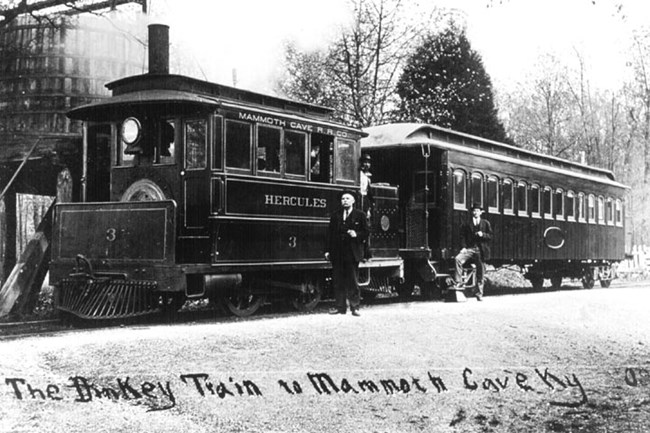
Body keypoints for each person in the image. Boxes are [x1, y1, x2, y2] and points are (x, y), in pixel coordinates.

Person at [324, 191, 368, 316]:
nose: (345, 200)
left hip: (352, 253)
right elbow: (330, 235)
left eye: (347, 198)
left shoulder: (360, 215)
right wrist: (327, 250)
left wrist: (356, 234)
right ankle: (340, 307)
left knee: (352, 280)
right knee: (338, 280)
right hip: (337, 252)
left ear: (353, 201)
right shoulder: (335, 215)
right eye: (343, 198)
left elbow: (366, 232)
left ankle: (355, 307)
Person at [454, 203, 493, 301]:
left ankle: (479, 293)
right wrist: (463, 247)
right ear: (472, 212)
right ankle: (458, 282)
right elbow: (462, 236)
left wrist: (482, 234)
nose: (475, 212)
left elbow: (490, 236)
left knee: (481, 272)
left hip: (481, 250)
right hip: (470, 249)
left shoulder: (485, 223)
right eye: (474, 211)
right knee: (457, 259)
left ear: (481, 212)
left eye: (477, 211)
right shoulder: (467, 224)